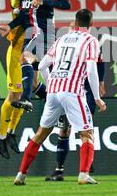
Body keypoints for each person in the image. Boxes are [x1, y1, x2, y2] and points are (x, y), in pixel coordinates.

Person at [13, 9, 106, 186]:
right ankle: (84, 174)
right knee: (87, 133)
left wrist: (52, 83)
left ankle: (21, 175)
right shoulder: (91, 40)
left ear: (76, 23)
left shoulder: (62, 38)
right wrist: (96, 98)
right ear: (91, 24)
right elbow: (92, 70)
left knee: (40, 134)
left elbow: (42, 65)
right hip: (72, 91)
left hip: (54, 91)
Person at [0, 0, 71, 114]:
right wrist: (9, 27)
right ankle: (61, 113)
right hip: (30, 36)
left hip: (43, 34)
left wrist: (44, 2)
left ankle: (26, 98)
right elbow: (24, 16)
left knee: (24, 58)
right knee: (35, 82)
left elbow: (66, 4)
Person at [45, 22, 106, 182]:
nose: (73, 30)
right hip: (67, 89)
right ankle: (59, 169)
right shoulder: (63, 43)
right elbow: (53, 66)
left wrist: (101, 84)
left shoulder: (91, 43)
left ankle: (85, 166)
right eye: (70, 27)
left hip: (83, 91)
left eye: (74, 27)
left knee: (84, 130)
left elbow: (99, 64)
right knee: (64, 129)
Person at [0, 0, 27, 159]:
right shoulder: (21, 8)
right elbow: (14, 1)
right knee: (15, 94)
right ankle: (2, 136)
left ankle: (11, 132)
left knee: (23, 96)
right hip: (16, 54)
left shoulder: (38, 5)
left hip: (30, 55)